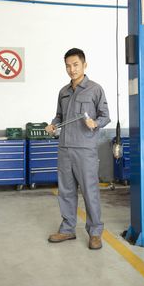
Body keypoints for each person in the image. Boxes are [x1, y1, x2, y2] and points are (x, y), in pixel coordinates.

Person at [45, 48, 110, 250]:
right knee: (65, 191)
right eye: (68, 65)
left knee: (90, 192)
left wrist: (95, 123)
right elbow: (59, 117)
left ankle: (95, 232)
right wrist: (53, 125)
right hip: (64, 148)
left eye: (75, 65)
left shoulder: (95, 89)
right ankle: (67, 229)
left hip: (85, 149)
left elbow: (105, 116)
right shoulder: (63, 92)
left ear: (84, 65)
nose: (71, 69)